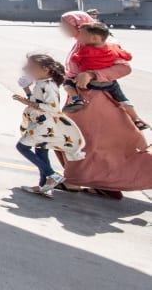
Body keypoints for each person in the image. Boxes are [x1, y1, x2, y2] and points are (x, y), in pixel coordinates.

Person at [57, 11, 152, 196]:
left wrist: (93, 75)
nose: (62, 29)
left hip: (97, 101)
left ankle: (79, 182)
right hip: (81, 98)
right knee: (82, 141)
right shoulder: (80, 43)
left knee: (85, 141)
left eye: (66, 25)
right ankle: (101, 184)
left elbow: (124, 68)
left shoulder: (106, 44)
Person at [12, 53, 86, 197]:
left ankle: (52, 175)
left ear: (45, 69)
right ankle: (44, 186)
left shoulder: (49, 85)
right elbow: (35, 100)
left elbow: (52, 107)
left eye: (31, 67)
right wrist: (27, 89)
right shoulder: (41, 83)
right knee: (41, 151)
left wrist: (27, 102)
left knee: (22, 147)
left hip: (44, 124)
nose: (27, 70)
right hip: (39, 121)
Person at [64, 22, 147, 129]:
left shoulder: (85, 49)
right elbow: (127, 56)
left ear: (94, 38)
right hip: (109, 84)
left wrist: (89, 72)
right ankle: (136, 118)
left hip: (89, 85)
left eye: (83, 35)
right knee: (122, 99)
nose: (81, 37)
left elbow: (75, 59)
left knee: (68, 84)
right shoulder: (113, 47)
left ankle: (76, 99)